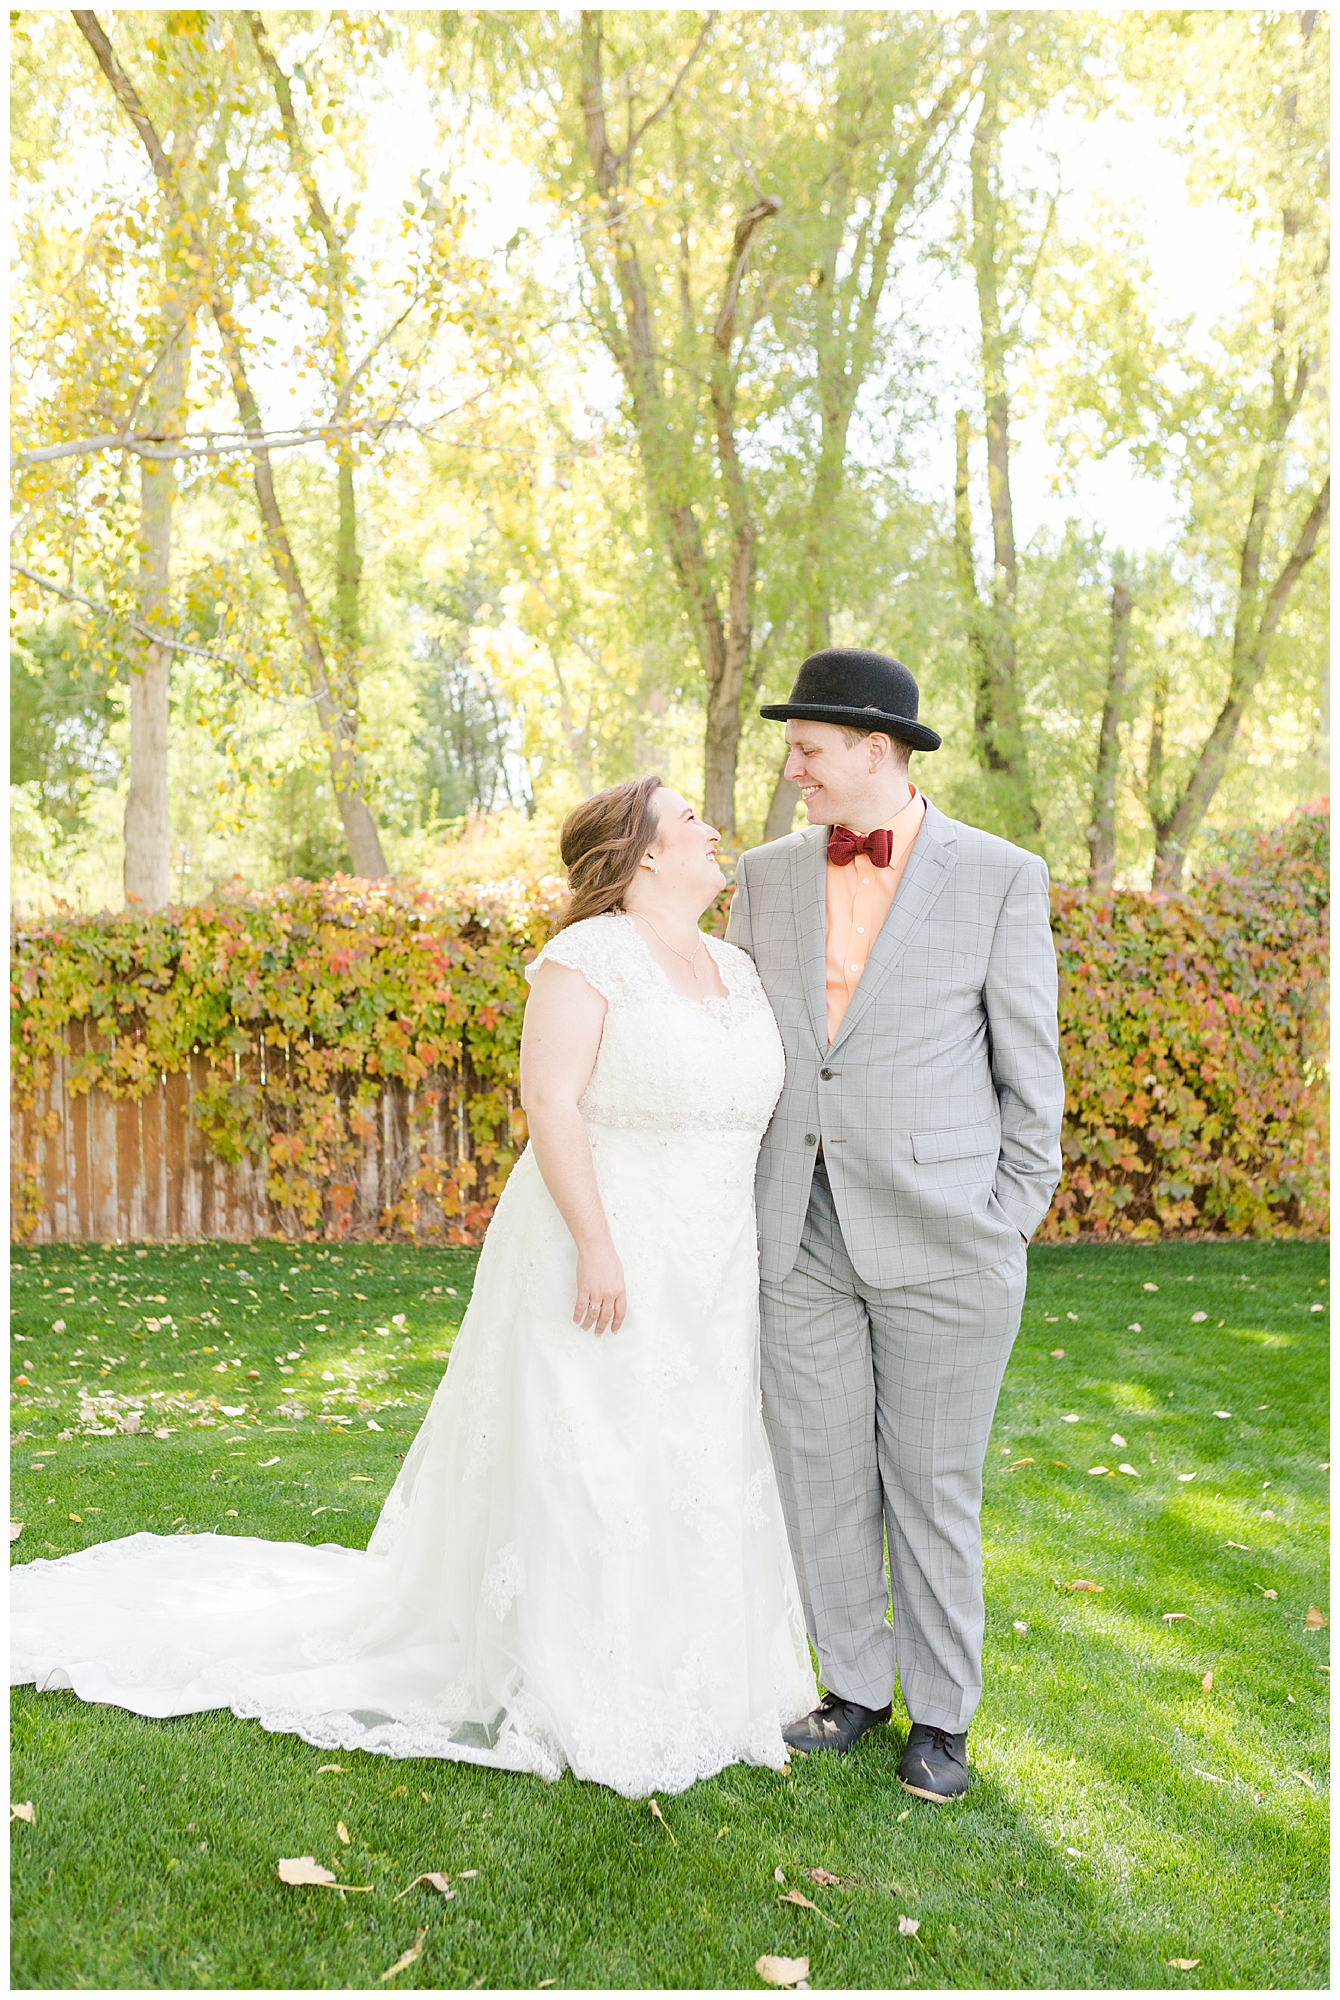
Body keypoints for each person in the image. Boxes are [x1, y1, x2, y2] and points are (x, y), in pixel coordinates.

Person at [11, 778, 817, 1800]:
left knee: (690, 1447)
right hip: (601, 1238)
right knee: (596, 1444)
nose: (713, 830)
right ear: (645, 853)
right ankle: (584, 1674)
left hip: (712, 1257)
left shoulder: (737, 968)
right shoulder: (586, 957)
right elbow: (551, 1101)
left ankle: (697, 1660)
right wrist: (598, 1243)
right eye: (691, 818)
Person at [726, 646, 1064, 1802]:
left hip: (945, 1235)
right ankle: (854, 1689)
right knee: (818, 1471)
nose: (793, 768)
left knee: (930, 1481)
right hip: (797, 1228)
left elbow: (1032, 1071)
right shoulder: (763, 875)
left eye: (808, 750)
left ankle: (943, 1717)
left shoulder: (1000, 876)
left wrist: (1007, 1215)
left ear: (876, 752)